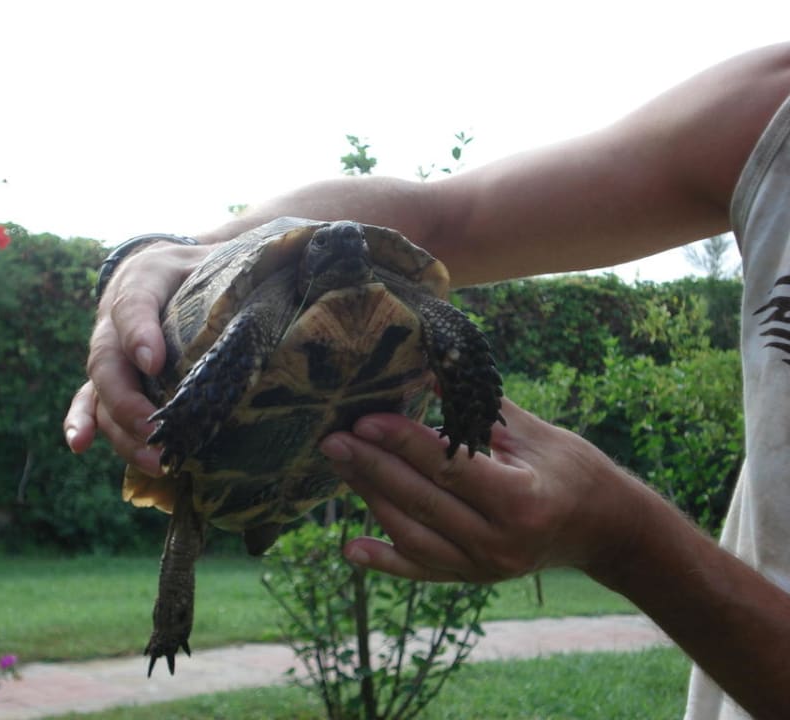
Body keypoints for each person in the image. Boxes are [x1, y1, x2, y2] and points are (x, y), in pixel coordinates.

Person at [64, 43, 790, 719]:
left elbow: (453, 330)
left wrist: (624, 539)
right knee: (189, 504)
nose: (343, 240)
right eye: (332, 240)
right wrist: (166, 259)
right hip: (284, 407)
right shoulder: (769, 105)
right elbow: (452, 217)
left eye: (347, 239)